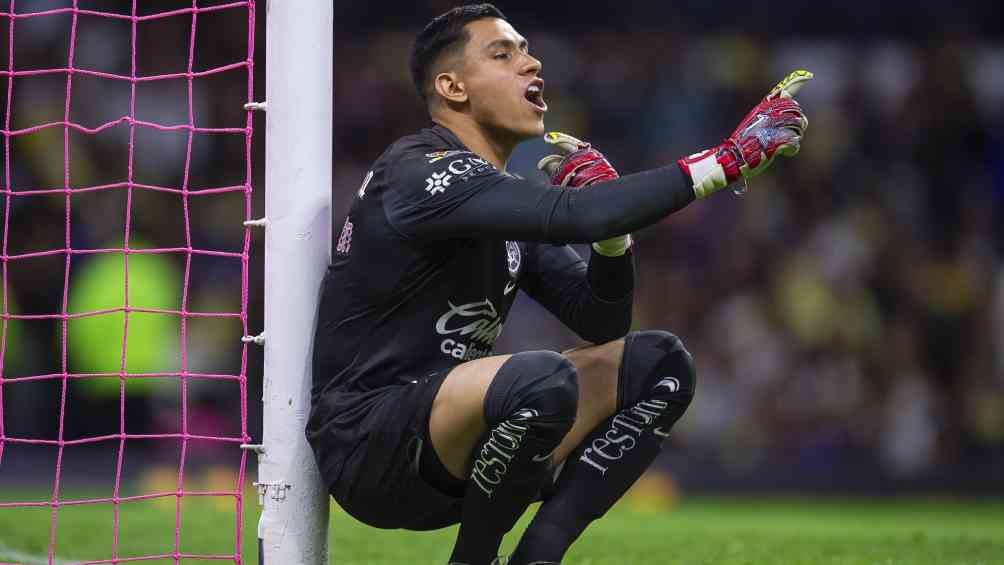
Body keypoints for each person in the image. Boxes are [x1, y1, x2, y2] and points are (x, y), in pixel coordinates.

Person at [308, 4, 810, 564]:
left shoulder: (497, 196)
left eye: (526, 50)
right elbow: (576, 214)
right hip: (369, 445)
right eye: (504, 54)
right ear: (452, 86)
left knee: (659, 365)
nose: (531, 63)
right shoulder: (420, 171)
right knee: (542, 379)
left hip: (468, 453)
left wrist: (613, 240)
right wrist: (723, 162)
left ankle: (538, 556)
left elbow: (601, 319)